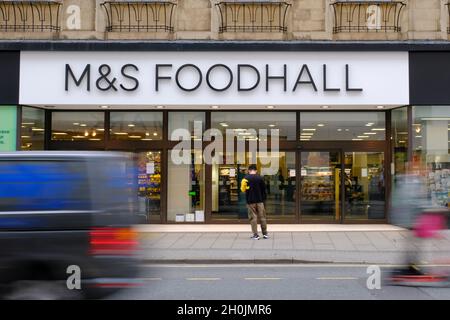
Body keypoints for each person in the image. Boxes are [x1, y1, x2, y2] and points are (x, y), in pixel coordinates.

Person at [240, 164, 268, 240]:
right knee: (262, 217)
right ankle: (265, 234)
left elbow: (242, 190)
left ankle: (256, 235)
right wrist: (263, 199)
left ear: (249, 170)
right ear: (256, 170)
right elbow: (264, 190)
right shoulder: (260, 178)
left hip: (250, 201)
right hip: (260, 201)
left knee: (253, 218)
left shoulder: (245, 179)